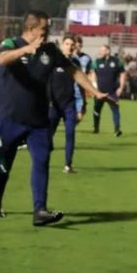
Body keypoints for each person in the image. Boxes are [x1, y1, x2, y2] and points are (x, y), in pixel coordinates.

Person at [0, 13, 110, 223]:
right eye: (44, 29)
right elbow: (2, 59)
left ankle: (40, 210)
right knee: (4, 163)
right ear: (31, 28)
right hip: (11, 117)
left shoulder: (51, 50)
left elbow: (74, 71)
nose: (47, 33)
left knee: (42, 160)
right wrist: (25, 50)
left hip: (39, 121)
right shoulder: (12, 43)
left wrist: (95, 91)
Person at [49, 35, 83, 174]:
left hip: (69, 104)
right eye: (67, 44)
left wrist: (82, 106)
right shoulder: (53, 61)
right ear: (62, 45)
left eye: (72, 44)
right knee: (48, 134)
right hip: (54, 104)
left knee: (70, 134)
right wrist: (48, 100)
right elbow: (47, 82)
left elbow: (80, 83)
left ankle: (68, 165)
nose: (69, 46)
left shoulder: (75, 62)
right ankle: (42, 160)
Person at [91, 44, 127, 136]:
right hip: (99, 92)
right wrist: (94, 86)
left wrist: (121, 88)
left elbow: (123, 74)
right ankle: (96, 128)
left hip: (112, 92)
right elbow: (93, 73)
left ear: (108, 51)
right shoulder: (97, 62)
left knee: (115, 110)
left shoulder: (117, 61)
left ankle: (117, 130)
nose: (100, 52)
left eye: (102, 50)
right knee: (96, 110)